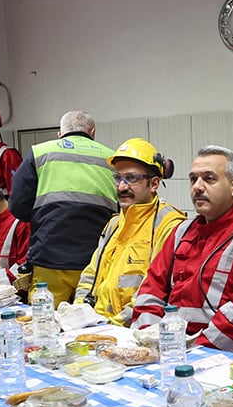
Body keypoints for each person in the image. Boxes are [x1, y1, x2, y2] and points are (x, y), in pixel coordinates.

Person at [131, 145, 233, 353]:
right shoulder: (181, 232)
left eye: (209, 178)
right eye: (193, 179)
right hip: (169, 351)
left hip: (220, 355)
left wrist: (195, 350)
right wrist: (148, 341)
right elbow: (150, 291)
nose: (197, 187)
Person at [75, 137, 186, 326]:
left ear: (154, 184)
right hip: (98, 328)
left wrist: (111, 326)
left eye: (132, 178)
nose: (122, 186)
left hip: (133, 330)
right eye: (118, 178)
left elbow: (154, 291)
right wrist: (79, 314)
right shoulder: (114, 224)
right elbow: (90, 276)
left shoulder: (169, 225)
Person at [9, 110, 117, 303]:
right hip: (96, 260)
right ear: (92, 132)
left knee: (46, 316)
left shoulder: (40, 152)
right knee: (92, 317)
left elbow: (18, 205)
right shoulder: (112, 158)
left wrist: (44, 219)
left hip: (50, 256)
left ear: (60, 134)